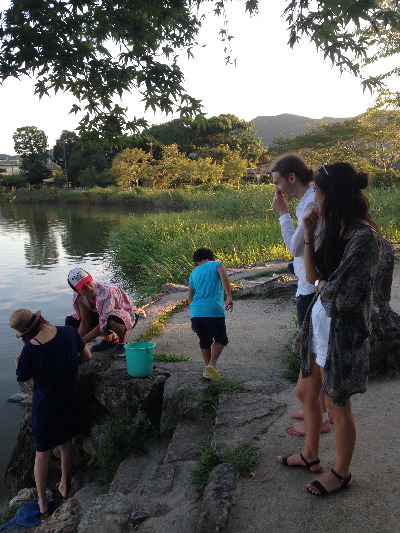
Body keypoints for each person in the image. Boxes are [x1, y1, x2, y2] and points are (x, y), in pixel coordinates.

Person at [278, 162, 382, 496]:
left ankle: (341, 472)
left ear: (333, 195)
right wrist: (309, 234)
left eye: (319, 193)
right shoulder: (337, 229)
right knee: (306, 392)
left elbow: (342, 296)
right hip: (319, 326)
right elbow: (312, 276)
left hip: (342, 335)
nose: (315, 199)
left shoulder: (364, 238)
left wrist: (324, 283)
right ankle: (310, 455)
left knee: (337, 407)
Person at [10, 309, 92, 515]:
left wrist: (18, 363)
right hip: (70, 398)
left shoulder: (31, 348)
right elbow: (87, 356)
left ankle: (42, 502)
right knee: (66, 442)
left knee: (42, 453)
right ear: (40, 319)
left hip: (45, 406)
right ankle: (64, 484)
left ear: (25, 333)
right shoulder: (69, 332)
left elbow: (22, 376)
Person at [271, 154, 331, 436]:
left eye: (277, 182)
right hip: (308, 285)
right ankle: (316, 411)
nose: (277, 189)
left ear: (291, 177)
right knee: (315, 352)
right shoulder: (308, 201)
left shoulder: (309, 204)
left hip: (310, 288)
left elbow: (294, 249)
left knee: (312, 355)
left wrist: (282, 213)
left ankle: (320, 418)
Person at [66, 268, 139, 358]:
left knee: (112, 320)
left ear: (91, 278)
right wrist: (76, 341)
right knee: (71, 321)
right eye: (83, 287)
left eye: (88, 282)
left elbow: (102, 324)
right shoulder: (79, 297)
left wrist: (80, 343)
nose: (89, 288)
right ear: (76, 291)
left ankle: (122, 342)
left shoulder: (106, 291)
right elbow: (85, 321)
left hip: (126, 313)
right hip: (102, 315)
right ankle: (110, 339)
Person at [188, 248, 233, 382]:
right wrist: (229, 296)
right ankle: (212, 364)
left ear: (195, 263)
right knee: (221, 339)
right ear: (211, 258)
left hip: (196, 312)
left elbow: (190, 298)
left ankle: (208, 370)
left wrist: (192, 318)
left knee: (205, 341)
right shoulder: (217, 264)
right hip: (213, 310)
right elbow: (223, 275)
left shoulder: (194, 272)